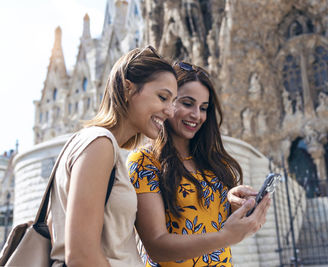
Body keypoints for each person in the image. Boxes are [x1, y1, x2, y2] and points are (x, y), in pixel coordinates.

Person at [127, 61, 271, 266]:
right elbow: (156, 246)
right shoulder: (144, 162)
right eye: (187, 103)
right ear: (167, 102)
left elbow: (208, 222)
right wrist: (226, 236)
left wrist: (232, 204)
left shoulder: (212, 162)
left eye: (203, 108)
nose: (196, 115)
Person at [48, 46, 178, 267]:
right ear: (128, 89)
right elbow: (81, 255)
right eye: (163, 97)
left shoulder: (97, 145)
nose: (170, 111)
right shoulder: (99, 144)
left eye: (173, 101)